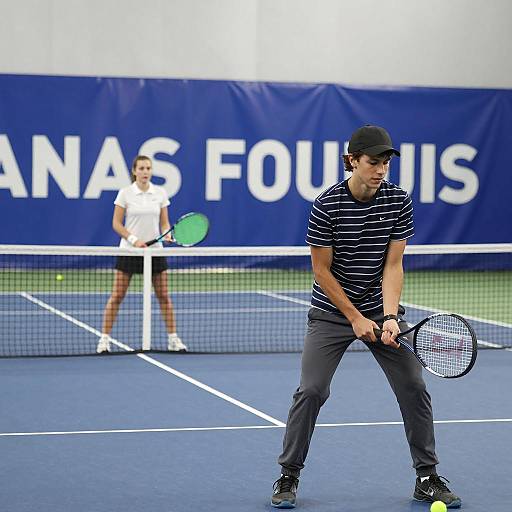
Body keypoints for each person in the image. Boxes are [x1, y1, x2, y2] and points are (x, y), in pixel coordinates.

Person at [271, 125, 461, 509]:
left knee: (413, 384)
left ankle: (426, 476)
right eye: (373, 161)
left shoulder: (398, 201)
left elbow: (393, 265)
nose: (380, 169)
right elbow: (322, 272)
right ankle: (288, 474)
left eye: (386, 162)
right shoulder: (326, 205)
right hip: (331, 313)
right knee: (311, 390)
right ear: (352, 161)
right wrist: (355, 318)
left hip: (379, 309)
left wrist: (390, 316)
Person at [96, 155, 187, 354]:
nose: (145, 172)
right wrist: (134, 240)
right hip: (130, 251)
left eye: (148, 168)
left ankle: (173, 339)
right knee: (118, 295)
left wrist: (168, 233)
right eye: (142, 168)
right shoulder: (125, 193)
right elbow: (116, 224)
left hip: (154, 252)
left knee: (163, 295)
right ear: (134, 171)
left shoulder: (160, 193)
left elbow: (164, 223)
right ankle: (104, 340)